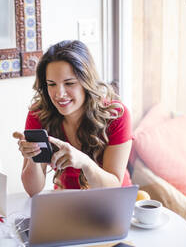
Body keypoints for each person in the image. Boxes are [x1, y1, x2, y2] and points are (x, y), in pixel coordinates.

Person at [13, 40, 133, 197]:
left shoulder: (117, 115)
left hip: (114, 202)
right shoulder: (39, 114)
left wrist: (85, 163)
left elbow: (114, 187)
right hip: (67, 201)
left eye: (69, 83)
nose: (59, 94)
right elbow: (33, 190)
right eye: (52, 84)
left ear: (86, 82)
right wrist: (32, 158)